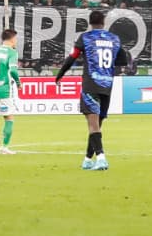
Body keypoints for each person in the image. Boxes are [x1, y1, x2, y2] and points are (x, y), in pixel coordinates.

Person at [54, 9, 129, 171]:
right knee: (97, 126)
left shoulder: (85, 38)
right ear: (104, 22)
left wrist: (59, 75)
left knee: (93, 125)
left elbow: (72, 57)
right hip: (107, 84)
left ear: (90, 23)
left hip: (91, 84)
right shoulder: (114, 39)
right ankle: (88, 159)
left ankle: (101, 158)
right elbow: (123, 60)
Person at [0, 28, 22, 154]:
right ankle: (5, 147)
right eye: (16, 38)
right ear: (12, 39)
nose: (16, 41)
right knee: (9, 118)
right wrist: (18, 82)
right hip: (4, 90)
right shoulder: (11, 52)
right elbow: (12, 70)